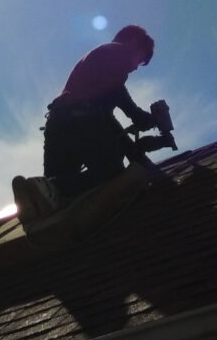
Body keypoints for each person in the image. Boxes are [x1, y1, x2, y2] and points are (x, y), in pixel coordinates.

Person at [13, 25, 161, 222]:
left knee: (55, 197)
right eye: (140, 59)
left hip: (58, 124)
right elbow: (122, 103)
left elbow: (108, 115)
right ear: (133, 43)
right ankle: (50, 189)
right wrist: (147, 123)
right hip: (80, 123)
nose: (135, 67)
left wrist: (135, 150)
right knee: (112, 172)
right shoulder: (118, 53)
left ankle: (38, 193)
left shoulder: (96, 61)